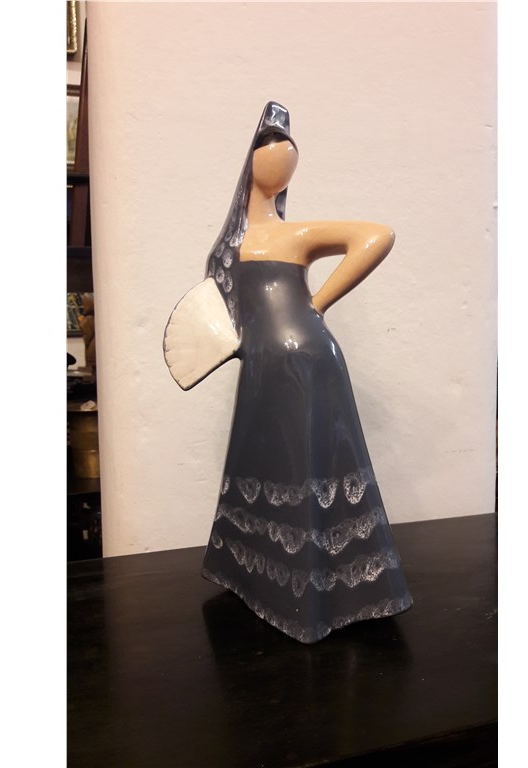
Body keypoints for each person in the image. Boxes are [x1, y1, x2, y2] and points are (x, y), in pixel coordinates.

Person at [166, 102, 412, 643]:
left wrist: (318, 304)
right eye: (270, 146)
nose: (280, 155)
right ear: (251, 162)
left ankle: (318, 599)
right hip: (263, 366)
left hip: (306, 362)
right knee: (268, 458)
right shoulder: (235, 246)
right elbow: (219, 317)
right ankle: (265, 581)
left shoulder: (293, 233)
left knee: (307, 466)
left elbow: (377, 235)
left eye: (287, 150)